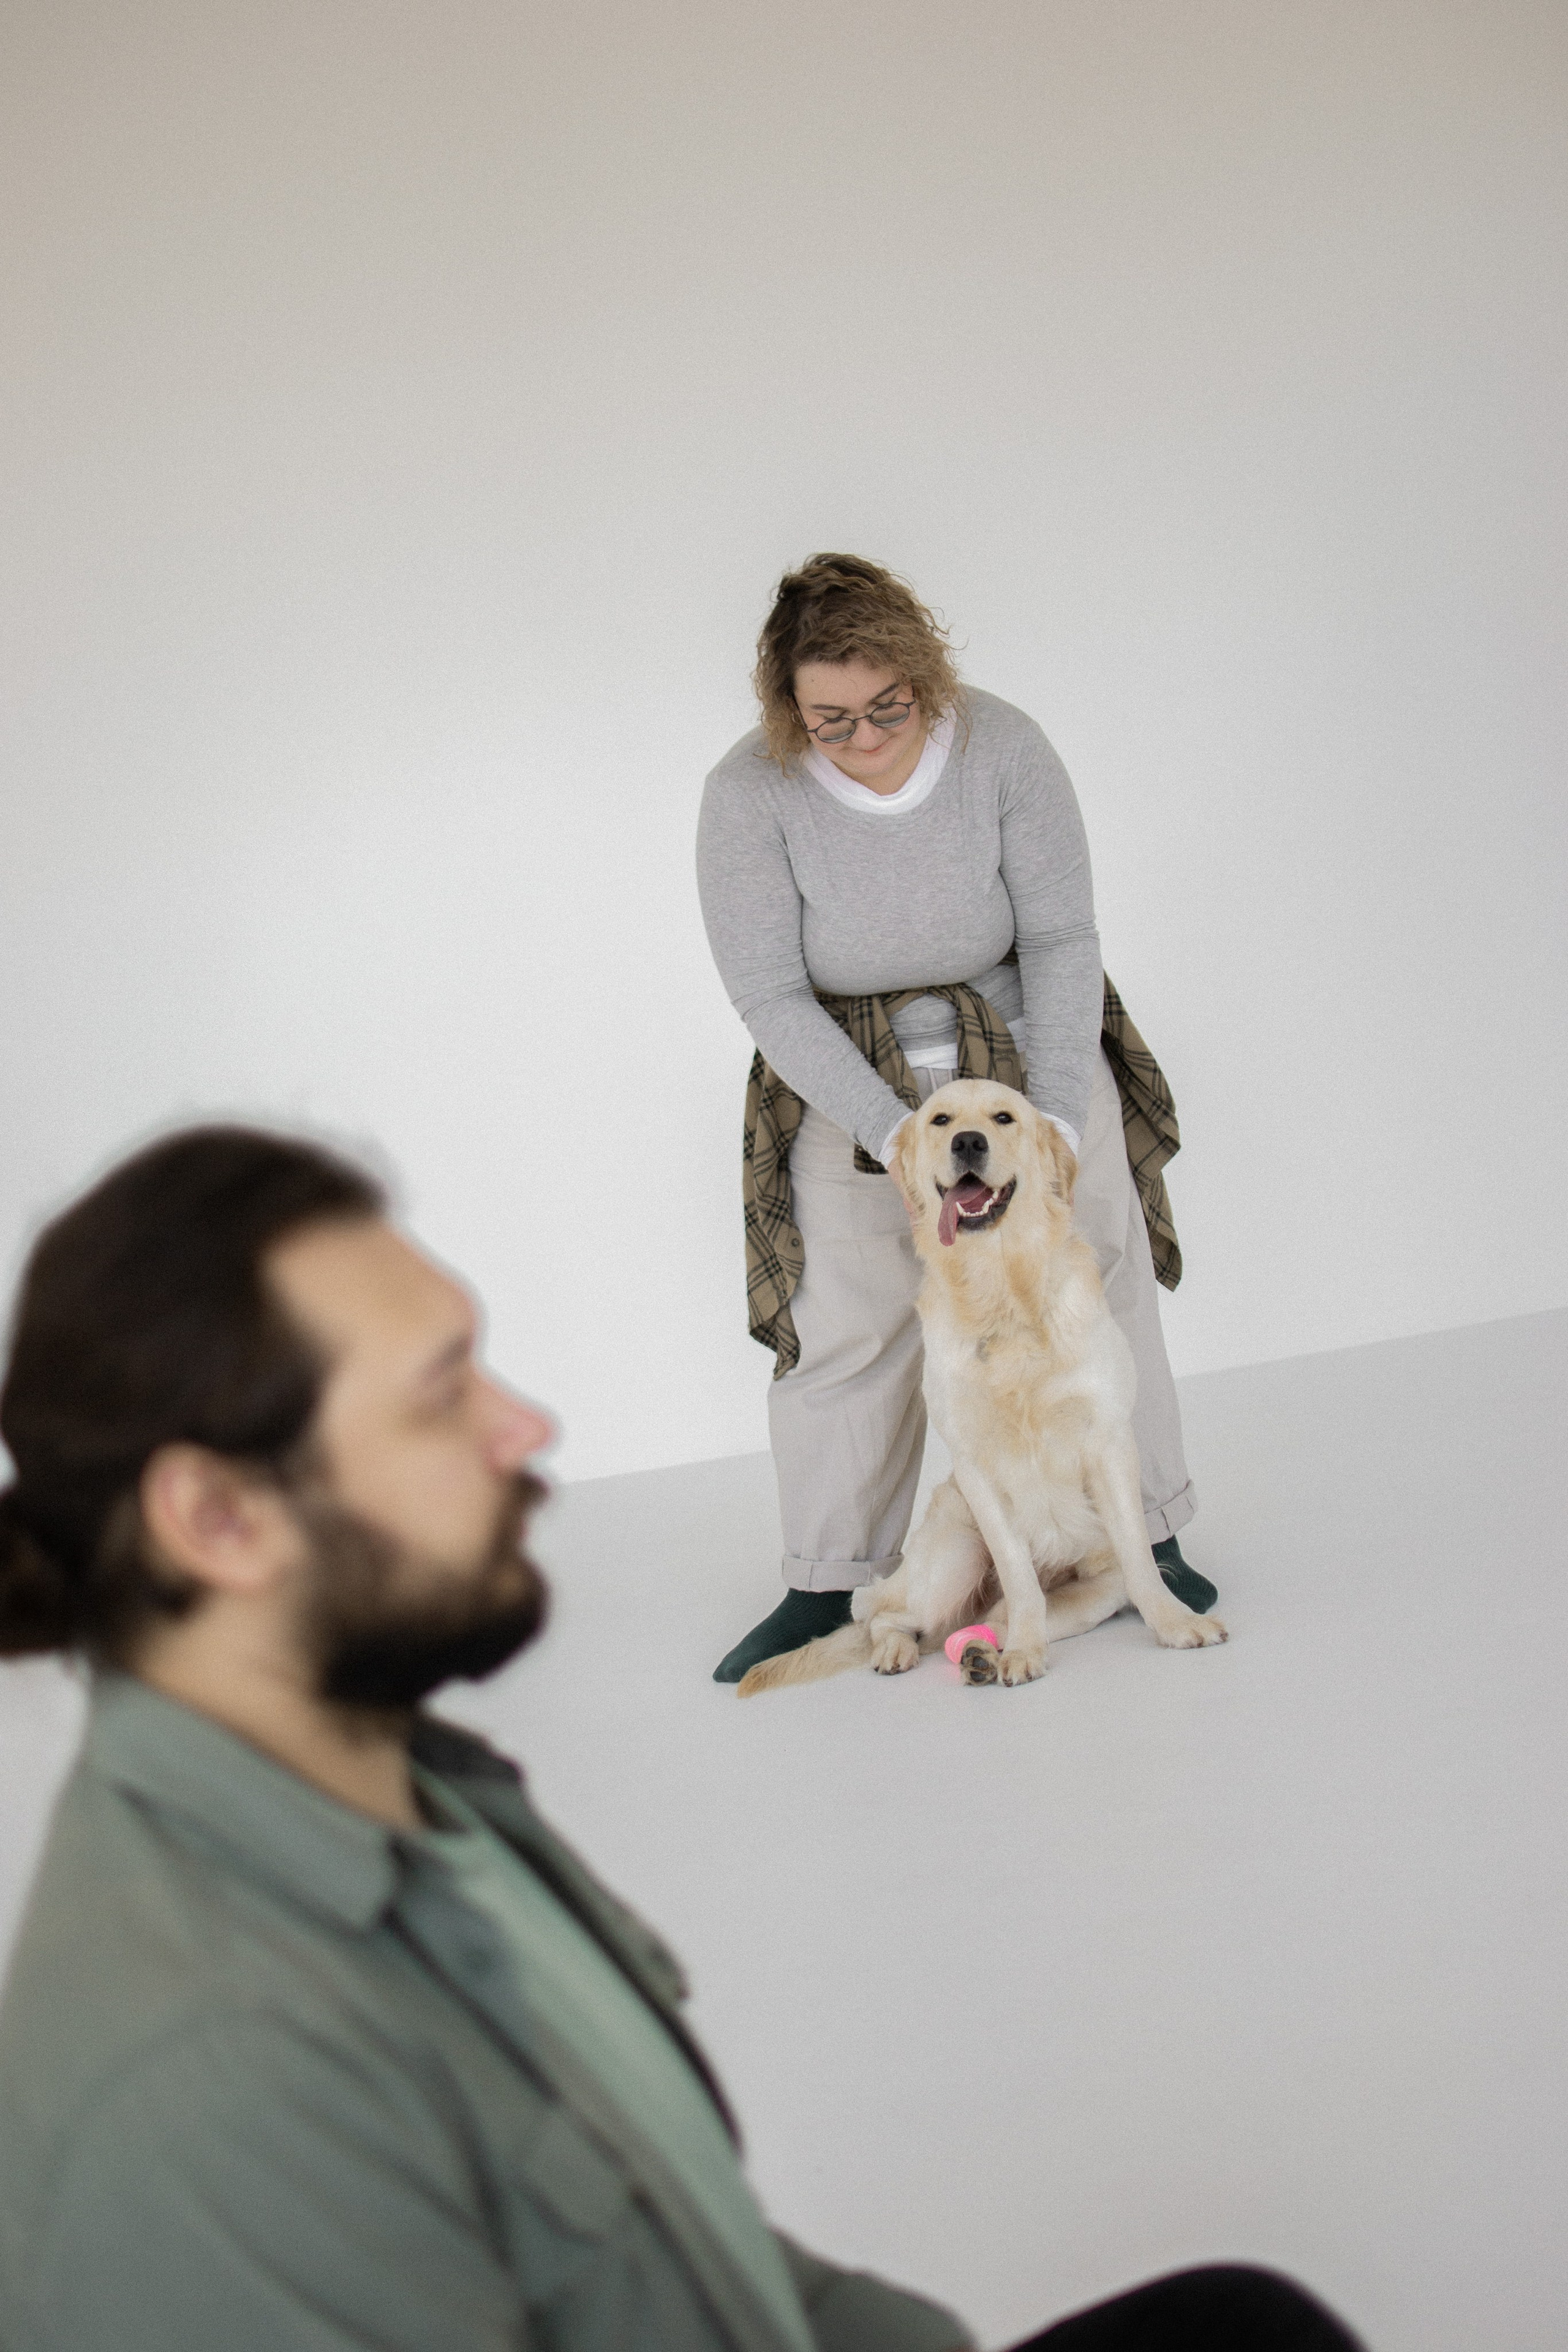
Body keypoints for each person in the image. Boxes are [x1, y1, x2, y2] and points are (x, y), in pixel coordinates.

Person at [0, 1126, 1362, 2351]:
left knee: (1245, 2326)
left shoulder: (421, 1803)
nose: (527, 1428)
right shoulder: (202, 2086)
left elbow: (673, 2248)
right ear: (217, 1520)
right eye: (439, 1394)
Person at [697, 554, 1216, 1686]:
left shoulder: (1004, 746)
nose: (867, 736)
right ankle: (828, 1579)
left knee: (1101, 1277)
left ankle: (1154, 1538)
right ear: (787, 708)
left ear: (924, 674)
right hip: (850, 1067)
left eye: (890, 706)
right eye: (830, 719)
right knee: (850, 1325)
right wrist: (891, 1133)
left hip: (1026, 1052)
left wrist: (1061, 1121)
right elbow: (769, 995)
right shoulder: (748, 795)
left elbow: (1065, 940)